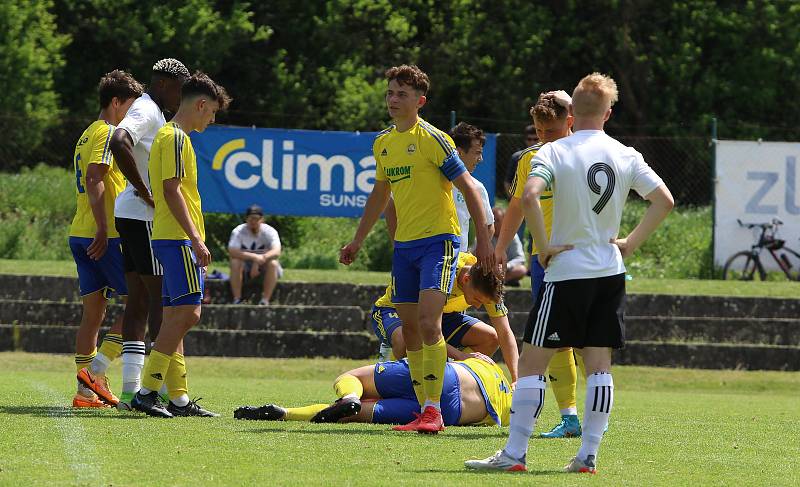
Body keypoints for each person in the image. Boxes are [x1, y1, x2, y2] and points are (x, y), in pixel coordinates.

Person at [465, 73, 674, 474]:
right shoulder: (626, 153)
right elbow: (663, 201)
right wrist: (629, 243)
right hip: (610, 274)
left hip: (567, 274)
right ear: (609, 113)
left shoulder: (553, 152)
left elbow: (527, 197)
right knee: (599, 366)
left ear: (573, 113)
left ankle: (514, 454)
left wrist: (542, 247)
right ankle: (587, 455)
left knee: (530, 365)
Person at [339, 64, 494, 434]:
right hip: (405, 247)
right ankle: (423, 407)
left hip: (439, 243)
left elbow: (470, 188)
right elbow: (381, 193)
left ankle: (432, 409)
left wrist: (485, 241)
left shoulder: (433, 139)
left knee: (428, 323)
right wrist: (358, 240)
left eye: (402, 94)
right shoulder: (383, 143)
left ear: (419, 101)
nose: (393, 99)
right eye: (391, 93)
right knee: (409, 332)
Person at [130, 72, 231, 418]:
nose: (212, 119)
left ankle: (180, 398)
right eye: (212, 112)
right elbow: (172, 189)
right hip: (176, 238)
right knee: (189, 313)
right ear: (201, 105)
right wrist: (196, 238)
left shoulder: (167, 136)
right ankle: (146, 392)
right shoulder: (176, 138)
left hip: (166, 236)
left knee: (175, 316)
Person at [494, 91, 586, 438]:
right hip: (541, 259)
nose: (544, 137)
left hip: (579, 256)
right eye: (538, 131)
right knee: (555, 338)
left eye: (551, 130)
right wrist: (500, 248)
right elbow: (517, 206)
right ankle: (570, 418)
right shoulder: (529, 159)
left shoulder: (584, 155)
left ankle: (585, 421)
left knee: (586, 340)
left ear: (570, 122)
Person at [105, 58, 190, 410]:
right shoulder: (149, 110)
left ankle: (129, 392)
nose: (182, 99)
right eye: (182, 91)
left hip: (128, 214)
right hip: (143, 217)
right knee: (162, 302)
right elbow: (119, 140)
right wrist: (143, 189)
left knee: (138, 302)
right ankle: (163, 394)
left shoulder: (148, 108)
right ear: (168, 84)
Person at [71, 70, 143, 408]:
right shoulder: (109, 133)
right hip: (106, 235)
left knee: (93, 314)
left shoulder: (86, 133)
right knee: (139, 303)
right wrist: (103, 228)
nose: (131, 113)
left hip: (79, 231)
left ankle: (86, 392)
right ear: (116, 102)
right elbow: (95, 177)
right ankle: (95, 376)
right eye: (129, 105)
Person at [233, 356, 512, 428]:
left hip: (444, 376)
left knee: (350, 377)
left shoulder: (487, 364)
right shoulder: (508, 410)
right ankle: (285, 413)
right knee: (350, 416)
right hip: (453, 413)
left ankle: (349, 397)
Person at [371, 252, 518, 383]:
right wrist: (461, 356)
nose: (478, 307)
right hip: (394, 310)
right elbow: (421, 328)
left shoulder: (486, 281)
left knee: (490, 338)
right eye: (477, 299)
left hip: (439, 314)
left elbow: (504, 332)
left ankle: (451, 382)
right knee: (405, 340)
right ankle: (394, 381)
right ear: (466, 279)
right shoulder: (441, 273)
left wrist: (517, 379)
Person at [450, 122, 494, 252]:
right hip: (429, 257)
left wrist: (474, 254)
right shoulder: (432, 181)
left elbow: (489, 226)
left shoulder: (477, 187)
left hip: (458, 260)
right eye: (477, 152)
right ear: (459, 152)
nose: (480, 159)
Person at [228, 204, 282, 305]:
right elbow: (232, 251)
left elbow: (277, 251)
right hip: (245, 268)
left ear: (262, 220)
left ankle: (265, 300)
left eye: (256, 219)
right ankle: (237, 299)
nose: (253, 222)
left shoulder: (270, 231)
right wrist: (254, 257)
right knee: (235, 262)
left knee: (273, 263)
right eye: (251, 219)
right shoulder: (238, 231)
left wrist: (260, 259)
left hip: (264, 265)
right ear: (246, 219)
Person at [491, 207, 527, 286]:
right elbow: (474, 254)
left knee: (521, 270)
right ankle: (501, 281)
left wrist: (506, 266)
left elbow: (520, 258)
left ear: (504, 221)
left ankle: (497, 282)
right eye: (493, 221)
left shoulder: (512, 236)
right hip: (490, 270)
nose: (495, 224)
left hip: (507, 270)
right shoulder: (486, 236)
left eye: (497, 220)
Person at [503, 125, 538, 198]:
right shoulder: (517, 157)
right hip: (520, 198)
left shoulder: (546, 156)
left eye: (535, 139)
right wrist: (513, 200)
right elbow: (508, 181)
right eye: (529, 139)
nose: (532, 142)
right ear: (525, 140)